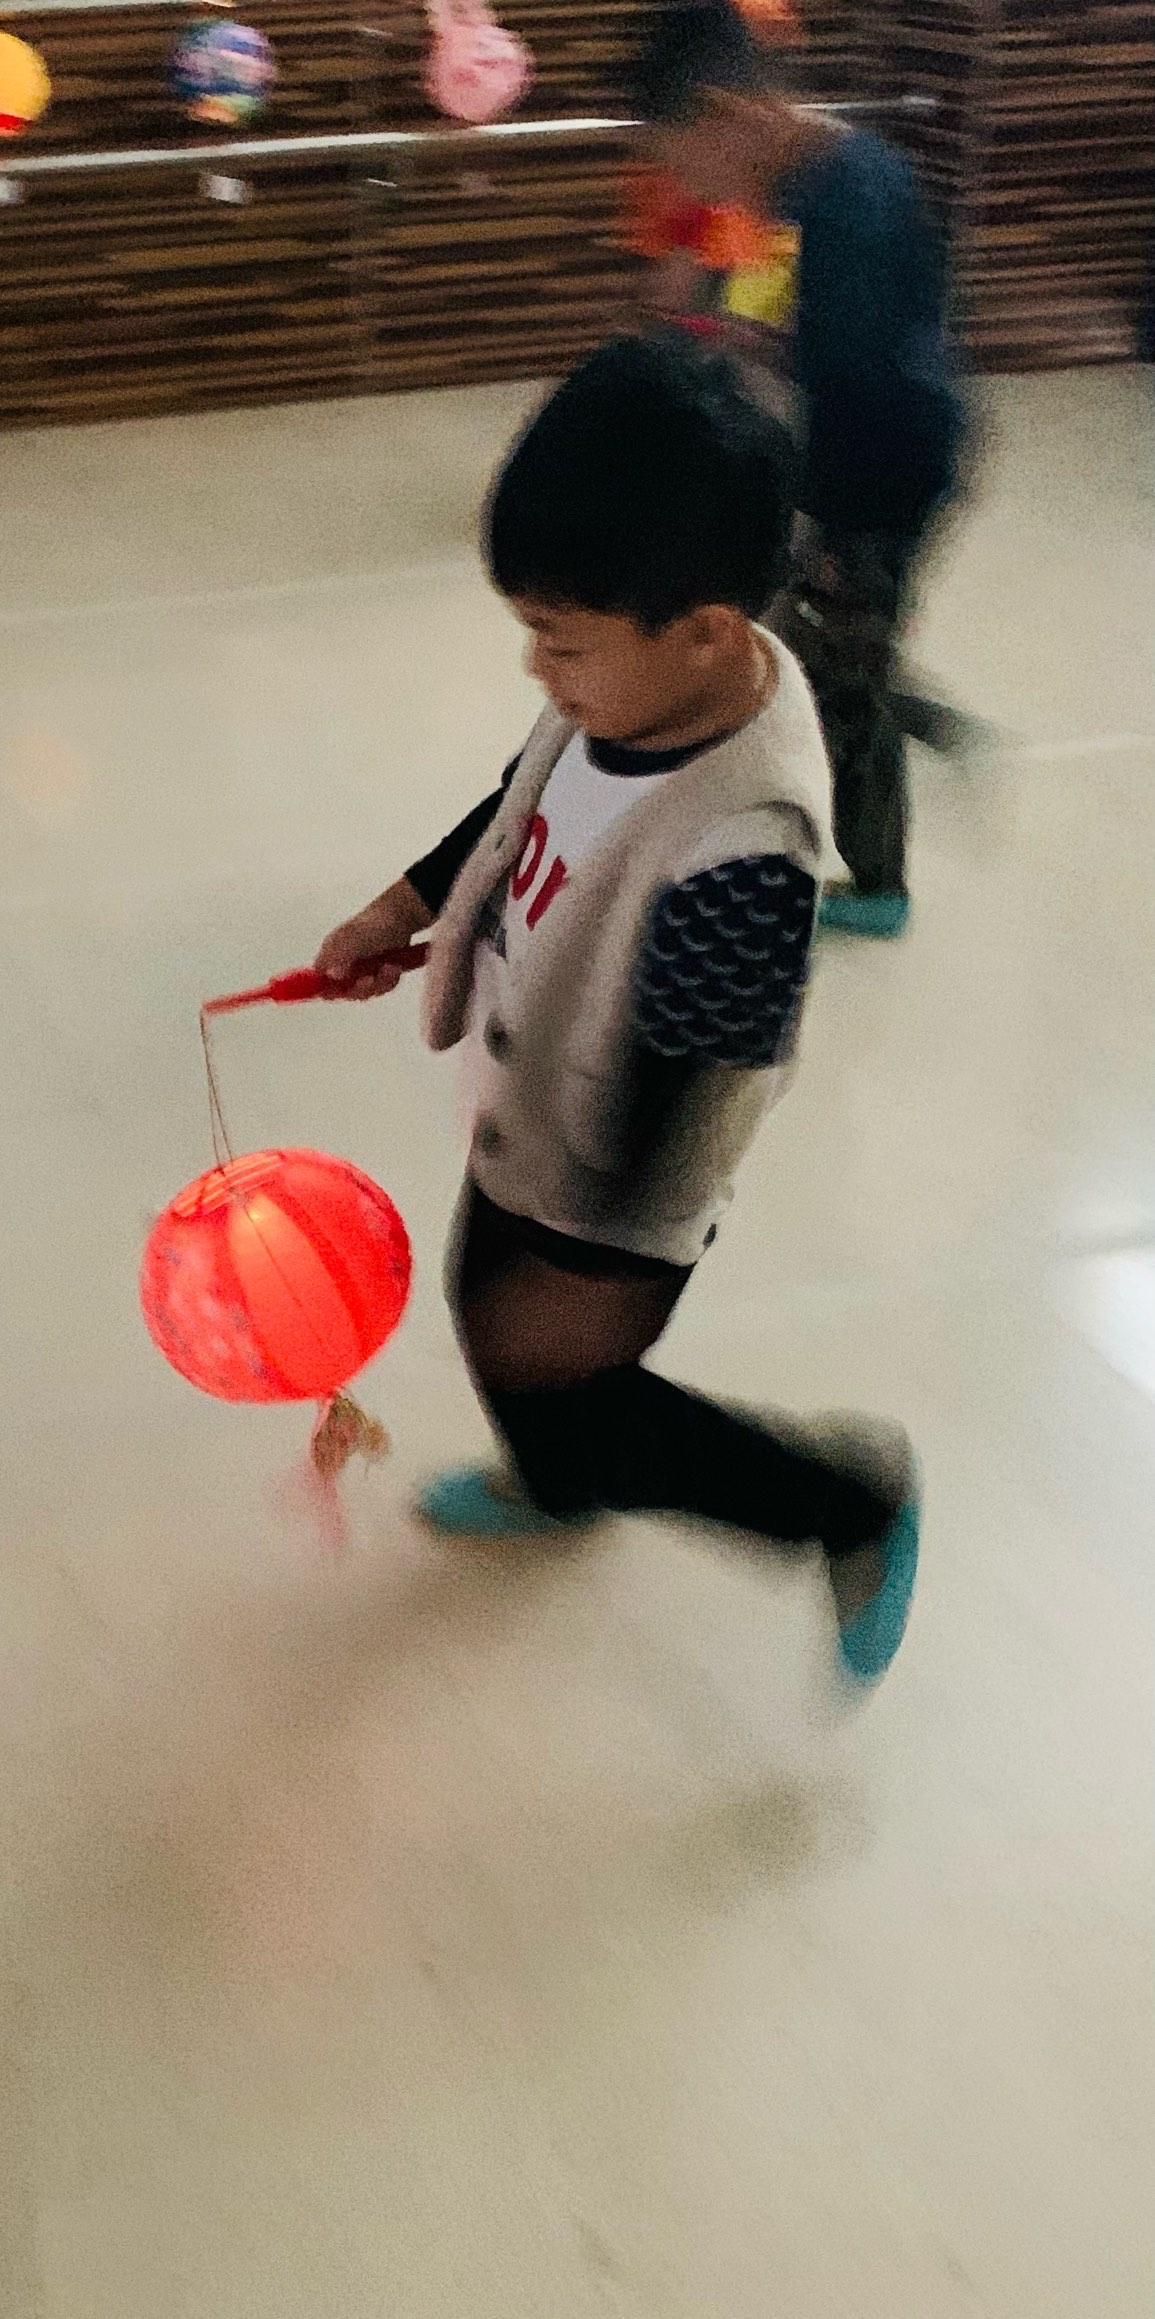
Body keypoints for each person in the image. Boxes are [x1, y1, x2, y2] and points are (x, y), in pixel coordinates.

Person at [315, 335, 919, 1681]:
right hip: (540, 1110)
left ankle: (842, 1501)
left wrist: (598, 1275)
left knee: (565, 1371)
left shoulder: (743, 845)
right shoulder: (627, 693)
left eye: (560, 641)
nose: (540, 672)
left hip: (619, 1183)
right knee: (487, 1313)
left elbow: (705, 1078)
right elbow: (518, 802)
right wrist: (402, 907)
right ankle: (560, 1472)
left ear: (702, 632)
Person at [628, 0, 969, 938]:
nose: (693, 190)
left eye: (686, 164)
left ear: (727, 114)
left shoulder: (846, 200)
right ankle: (884, 708)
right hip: (872, 460)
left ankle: (878, 885)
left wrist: (816, 515)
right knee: (803, 653)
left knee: (837, 683)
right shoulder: (828, 178)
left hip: (880, 476)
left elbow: (853, 376)